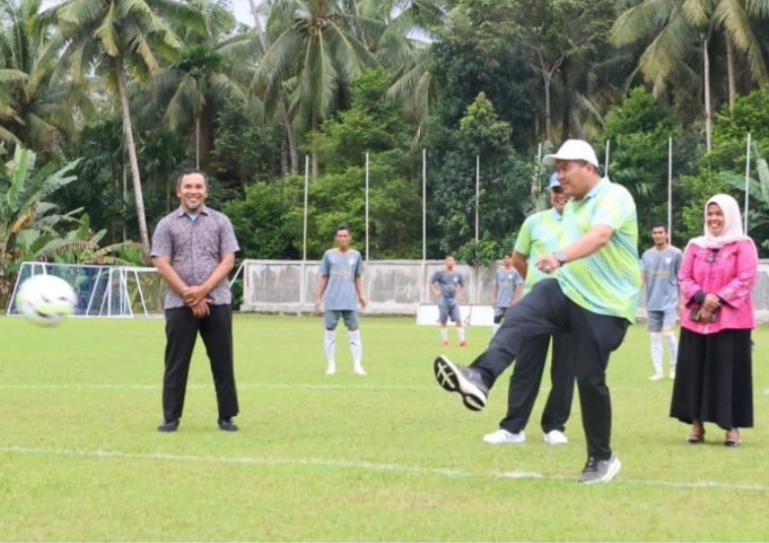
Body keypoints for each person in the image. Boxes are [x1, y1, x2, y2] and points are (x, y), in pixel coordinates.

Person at [432, 139, 640, 484]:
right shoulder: (571, 206)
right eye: (555, 169)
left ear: (589, 167)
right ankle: (481, 377)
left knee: (589, 380)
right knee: (522, 313)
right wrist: (554, 267)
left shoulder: (614, 196)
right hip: (568, 291)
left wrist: (559, 258)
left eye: (565, 167)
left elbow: (601, 237)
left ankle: (602, 458)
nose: (559, 177)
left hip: (607, 306)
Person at [482, 174, 575, 447]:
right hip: (538, 303)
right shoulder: (534, 222)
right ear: (549, 193)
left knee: (565, 368)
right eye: (556, 190)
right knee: (526, 365)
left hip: (572, 298)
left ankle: (555, 426)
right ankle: (513, 427)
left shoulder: (583, 222)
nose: (561, 194)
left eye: (564, 189)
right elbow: (520, 259)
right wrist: (535, 280)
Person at [151, 169, 240, 433]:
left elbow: (228, 260)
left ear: (206, 192)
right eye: (188, 186)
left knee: (222, 360)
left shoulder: (221, 222)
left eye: (198, 187)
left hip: (218, 301)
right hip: (179, 305)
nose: (193, 191)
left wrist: (203, 290)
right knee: (176, 362)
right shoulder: (166, 225)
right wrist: (190, 295)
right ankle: (171, 418)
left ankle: (227, 416)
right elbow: (161, 262)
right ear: (179, 191)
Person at [670, 194, 758, 447]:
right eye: (710, 214)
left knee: (728, 374)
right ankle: (696, 425)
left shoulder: (743, 245)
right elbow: (684, 276)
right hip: (696, 320)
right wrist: (701, 296)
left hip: (732, 322)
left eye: (719, 214)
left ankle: (731, 427)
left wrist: (717, 298)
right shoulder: (696, 245)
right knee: (694, 371)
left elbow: (746, 278)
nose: (713, 219)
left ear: (729, 215)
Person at [315, 226, 368, 376]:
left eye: (345, 236)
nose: (343, 238)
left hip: (350, 301)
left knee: (354, 332)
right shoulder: (329, 255)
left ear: (350, 238)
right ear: (336, 238)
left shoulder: (356, 255)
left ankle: (357, 365)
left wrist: (362, 295)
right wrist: (318, 298)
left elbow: (358, 277)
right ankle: (331, 365)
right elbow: (324, 277)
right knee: (330, 332)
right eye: (340, 236)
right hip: (332, 301)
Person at [641, 224, 682, 381]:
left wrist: (682, 301)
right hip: (653, 302)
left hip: (670, 301)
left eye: (660, 232)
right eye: (654, 232)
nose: (657, 235)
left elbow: (681, 278)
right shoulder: (647, 255)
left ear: (666, 234)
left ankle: (674, 365)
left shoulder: (676, 253)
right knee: (654, 337)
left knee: (668, 334)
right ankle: (658, 371)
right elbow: (643, 277)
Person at [430, 256, 468, 347]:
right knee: (443, 321)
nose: (450, 262)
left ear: (454, 263)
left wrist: (460, 294)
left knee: (458, 319)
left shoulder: (458, 274)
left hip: (453, 301)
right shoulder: (440, 273)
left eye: (452, 261)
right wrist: (436, 292)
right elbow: (431, 283)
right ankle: (445, 341)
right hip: (443, 300)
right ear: (446, 263)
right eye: (448, 261)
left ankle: (462, 341)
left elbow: (462, 286)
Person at [491, 253, 524, 335]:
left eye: (508, 258)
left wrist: (516, 300)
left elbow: (519, 286)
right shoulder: (499, 271)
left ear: (512, 260)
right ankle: (494, 340)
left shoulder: (515, 272)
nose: (506, 260)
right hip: (500, 302)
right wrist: (494, 299)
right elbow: (495, 285)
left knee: (510, 322)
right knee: (496, 319)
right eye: (505, 258)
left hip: (510, 303)